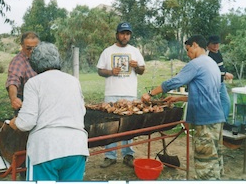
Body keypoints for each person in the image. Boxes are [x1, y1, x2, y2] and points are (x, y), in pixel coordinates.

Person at [141, 35, 225, 180]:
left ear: (195, 45)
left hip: (205, 121)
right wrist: (178, 98)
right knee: (214, 159)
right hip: (216, 120)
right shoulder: (211, 63)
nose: (187, 54)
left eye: (188, 50)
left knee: (205, 165)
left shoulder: (196, 63)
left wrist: (150, 94)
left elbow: (174, 82)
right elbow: (206, 93)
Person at [9, 42, 89, 181]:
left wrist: (14, 123)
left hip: (46, 150)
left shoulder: (34, 83)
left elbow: (27, 122)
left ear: (35, 63)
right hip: (76, 147)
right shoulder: (73, 81)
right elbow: (81, 111)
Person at [96, 22, 145, 168]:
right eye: (123, 33)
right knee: (110, 126)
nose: (125, 36)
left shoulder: (135, 51)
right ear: (117, 34)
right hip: (111, 93)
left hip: (129, 93)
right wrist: (111, 72)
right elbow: (99, 70)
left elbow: (142, 70)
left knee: (128, 126)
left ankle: (128, 154)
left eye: (128, 34)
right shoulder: (107, 51)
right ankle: (110, 156)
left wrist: (137, 67)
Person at [5, 31, 40, 115]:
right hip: (26, 102)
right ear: (22, 46)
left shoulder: (41, 58)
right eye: (28, 48)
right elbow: (13, 81)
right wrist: (14, 99)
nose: (32, 51)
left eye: (35, 48)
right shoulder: (18, 61)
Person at [207, 35, 233, 121]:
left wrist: (224, 74)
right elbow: (211, 70)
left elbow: (220, 67)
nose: (216, 46)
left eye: (217, 44)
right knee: (217, 103)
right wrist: (225, 73)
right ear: (209, 45)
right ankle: (218, 122)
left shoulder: (218, 53)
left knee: (226, 102)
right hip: (212, 84)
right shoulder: (208, 55)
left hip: (220, 82)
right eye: (214, 44)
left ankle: (222, 121)